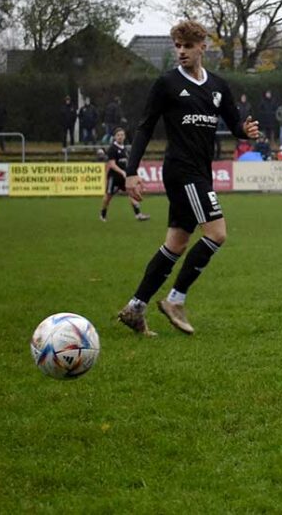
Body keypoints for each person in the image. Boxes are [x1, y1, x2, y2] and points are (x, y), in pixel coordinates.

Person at [117, 20, 259, 337]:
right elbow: (144, 127)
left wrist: (244, 131)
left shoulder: (218, 86)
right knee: (217, 233)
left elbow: (234, 124)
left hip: (199, 170)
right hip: (182, 170)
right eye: (177, 46)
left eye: (187, 46)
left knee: (176, 244)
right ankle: (175, 300)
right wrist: (131, 172)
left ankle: (135, 308)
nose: (181, 52)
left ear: (201, 48)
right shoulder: (167, 83)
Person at [100, 127, 150, 222]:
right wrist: (122, 172)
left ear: (124, 136)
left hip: (125, 177)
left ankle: (138, 214)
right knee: (108, 197)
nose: (120, 137)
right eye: (118, 135)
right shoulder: (112, 149)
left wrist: (130, 173)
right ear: (114, 137)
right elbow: (112, 164)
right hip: (114, 177)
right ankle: (103, 214)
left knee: (131, 193)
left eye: (122, 135)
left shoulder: (125, 149)